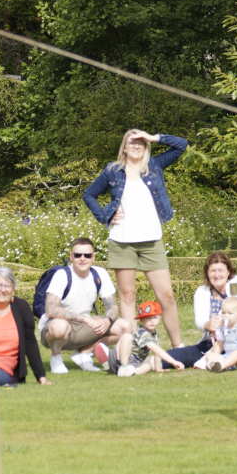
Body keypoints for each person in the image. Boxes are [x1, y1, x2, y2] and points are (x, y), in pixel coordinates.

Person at [83, 129, 187, 346]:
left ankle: (178, 347)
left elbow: (182, 145)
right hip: (122, 242)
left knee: (167, 296)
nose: (137, 145)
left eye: (141, 142)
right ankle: (130, 349)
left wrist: (154, 138)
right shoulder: (113, 171)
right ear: (124, 147)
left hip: (152, 241)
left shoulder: (155, 165)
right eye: (132, 142)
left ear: (146, 146)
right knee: (128, 295)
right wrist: (104, 216)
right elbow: (89, 194)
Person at [39, 238, 133, 374]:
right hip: (57, 327)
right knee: (60, 326)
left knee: (125, 327)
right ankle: (56, 357)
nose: (82, 259)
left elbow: (112, 306)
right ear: (71, 256)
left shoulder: (100, 274)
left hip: (84, 327)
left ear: (93, 257)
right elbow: (50, 310)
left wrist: (107, 321)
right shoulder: (62, 275)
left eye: (87, 255)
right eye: (78, 255)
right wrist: (85, 319)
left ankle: (84, 354)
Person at [160, 251, 237, 370]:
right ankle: (147, 362)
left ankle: (209, 361)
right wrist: (208, 325)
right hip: (211, 343)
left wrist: (218, 323)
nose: (217, 275)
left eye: (220, 270)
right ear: (207, 273)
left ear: (228, 271)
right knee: (178, 355)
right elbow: (200, 321)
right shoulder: (202, 292)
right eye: (212, 271)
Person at [0, 267, 51, 387]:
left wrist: (40, 376)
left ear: (13, 289)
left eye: (7, 286)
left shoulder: (21, 307)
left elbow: (30, 342)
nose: (3, 290)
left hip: (2, 368)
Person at [107, 301, 184, 377]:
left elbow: (157, 351)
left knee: (148, 366)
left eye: (155, 318)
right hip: (119, 358)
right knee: (127, 336)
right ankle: (123, 366)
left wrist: (158, 369)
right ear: (141, 320)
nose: (152, 321)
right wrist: (174, 362)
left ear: (159, 319)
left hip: (133, 363)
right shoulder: (142, 332)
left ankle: (128, 372)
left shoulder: (153, 333)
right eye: (148, 318)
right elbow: (156, 349)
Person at [203, 297, 237, 373]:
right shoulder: (223, 329)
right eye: (223, 313)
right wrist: (214, 356)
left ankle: (222, 365)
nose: (226, 316)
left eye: (230, 313)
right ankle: (214, 365)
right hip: (227, 356)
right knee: (209, 355)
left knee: (236, 353)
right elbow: (220, 345)